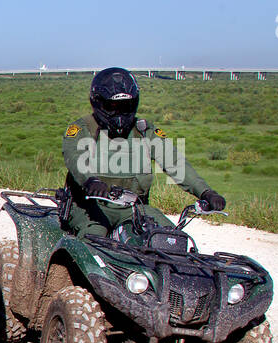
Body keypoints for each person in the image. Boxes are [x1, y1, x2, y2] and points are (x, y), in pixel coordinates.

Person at [62, 67, 225, 237]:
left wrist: (206, 192)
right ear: (98, 102)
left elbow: (174, 162)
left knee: (170, 239)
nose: (119, 113)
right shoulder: (82, 129)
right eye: (112, 106)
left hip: (134, 208)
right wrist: (91, 181)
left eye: (126, 107)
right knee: (94, 238)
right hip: (89, 207)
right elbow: (74, 157)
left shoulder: (144, 130)